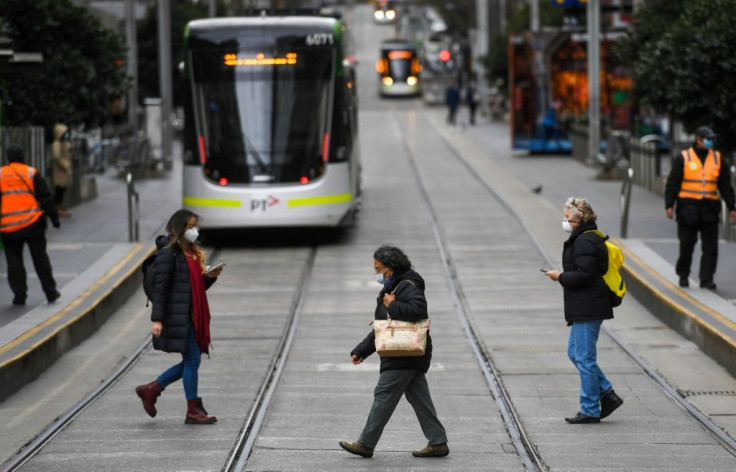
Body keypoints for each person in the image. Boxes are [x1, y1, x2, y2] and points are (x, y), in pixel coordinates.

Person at [339, 245, 449, 458]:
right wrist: (361, 351)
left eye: (378, 269)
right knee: (420, 399)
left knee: (384, 395)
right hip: (408, 354)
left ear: (390, 268)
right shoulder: (393, 285)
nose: (376, 273)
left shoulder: (407, 285)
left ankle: (365, 444)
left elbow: (418, 311)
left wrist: (392, 304)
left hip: (403, 354)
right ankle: (438, 442)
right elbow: (384, 327)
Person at [134, 209, 223, 424]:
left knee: (190, 360)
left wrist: (209, 278)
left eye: (195, 226)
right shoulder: (168, 254)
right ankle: (191, 409)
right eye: (190, 226)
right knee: (192, 360)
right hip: (177, 316)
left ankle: (152, 389)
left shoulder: (191, 252)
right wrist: (157, 319)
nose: (194, 230)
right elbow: (162, 289)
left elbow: (192, 288)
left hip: (191, 315)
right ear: (180, 228)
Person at [543, 197, 623, 424]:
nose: (565, 220)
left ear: (579, 219)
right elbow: (583, 270)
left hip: (589, 305)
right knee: (575, 353)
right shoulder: (583, 238)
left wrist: (560, 276)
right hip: (584, 304)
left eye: (567, 217)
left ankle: (590, 408)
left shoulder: (585, 241)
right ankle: (607, 393)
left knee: (584, 357)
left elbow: (585, 274)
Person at [665, 126, 736, 289]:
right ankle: (683, 274)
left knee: (710, 247)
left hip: (709, 209)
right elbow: (673, 183)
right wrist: (669, 204)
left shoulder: (718, 159)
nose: (711, 142)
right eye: (707, 138)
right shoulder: (684, 157)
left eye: (712, 139)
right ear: (698, 139)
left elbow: (725, 186)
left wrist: (732, 207)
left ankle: (706, 278)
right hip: (687, 208)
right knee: (687, 244)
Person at [0, 144, 61, 306]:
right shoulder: (31, 172)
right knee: (40, 259)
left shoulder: (1, 174)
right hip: (33, 224)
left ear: (8, 158)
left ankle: (19, 295)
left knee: (14, 263)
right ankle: (50, 292)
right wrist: (55, 219)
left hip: (9, 227)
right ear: (22, 156)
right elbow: (46, 198)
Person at [52, 123, 73, 218]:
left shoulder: (64, 142)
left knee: (63, 189)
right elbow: (57, 157)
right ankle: (58, 207)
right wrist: (65, 165)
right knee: (59, 189)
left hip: (65, 170)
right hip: (60, 170)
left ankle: (60, 206)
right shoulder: (56, 144)